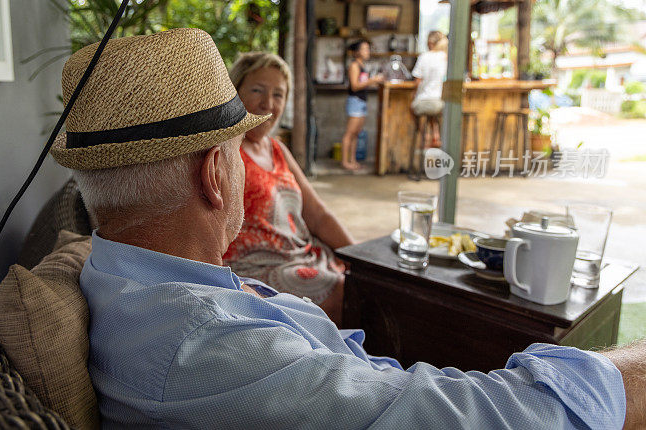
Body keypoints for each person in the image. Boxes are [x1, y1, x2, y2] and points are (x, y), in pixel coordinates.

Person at [51, 28, 643, 429]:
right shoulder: (204, 344)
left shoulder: (123, 273)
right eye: (235, 150)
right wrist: (623, 378)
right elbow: (472, 416)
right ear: (215, 174)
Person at [225, 52, 353, 325]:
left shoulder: (278, 150)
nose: (267, 103)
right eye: (257, 90)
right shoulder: (226, 149)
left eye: (278, 95)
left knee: (364, 281)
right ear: (235, 91)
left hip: (302, 256)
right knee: (346, 290)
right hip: (255, 270)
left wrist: (359, 256)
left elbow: (318, 214)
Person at [342, 39, 382, 171]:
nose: (367, 51)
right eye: (365, 49)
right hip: (355, 101)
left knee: (356, 134)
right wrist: (372, 80)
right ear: (357, 52)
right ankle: (345, 161)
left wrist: (373, 81)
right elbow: (354, 85)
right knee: (349, 133)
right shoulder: (354, 66)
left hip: (362, 102)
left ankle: (352, 160)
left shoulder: (362, 66)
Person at [411, 30, 448, 147]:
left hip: (425, 100)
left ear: (430, 42)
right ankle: (435, 135)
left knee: (413, 107)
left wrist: (414, 94)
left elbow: (417, 81)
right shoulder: (446, 57)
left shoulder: (424, 57)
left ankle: (423, 135)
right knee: (432, 112)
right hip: (441, 102)